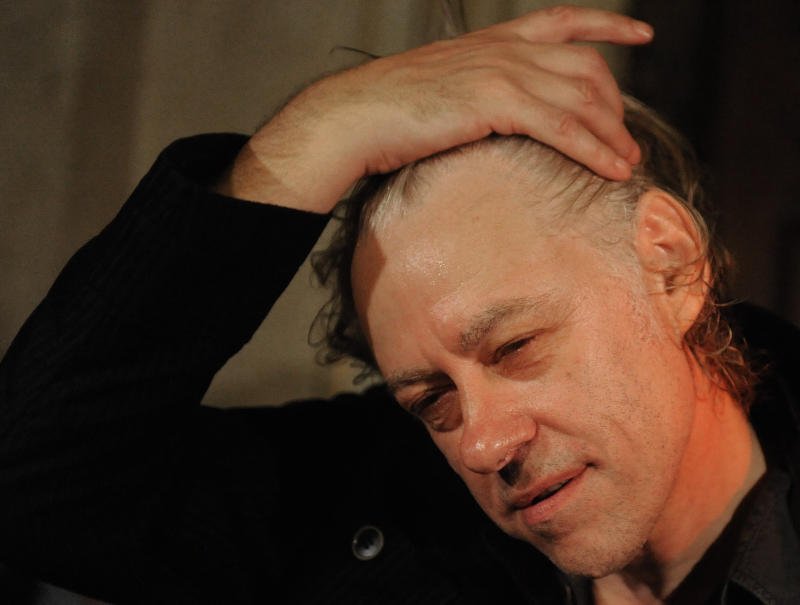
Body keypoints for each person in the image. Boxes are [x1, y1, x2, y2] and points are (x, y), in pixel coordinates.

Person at [0, 5, 797, 604]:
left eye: (515, 346)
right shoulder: (384, 511)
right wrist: (321, 128)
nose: (482, 443)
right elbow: (36, 477)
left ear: (669, 267)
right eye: (431, 398)